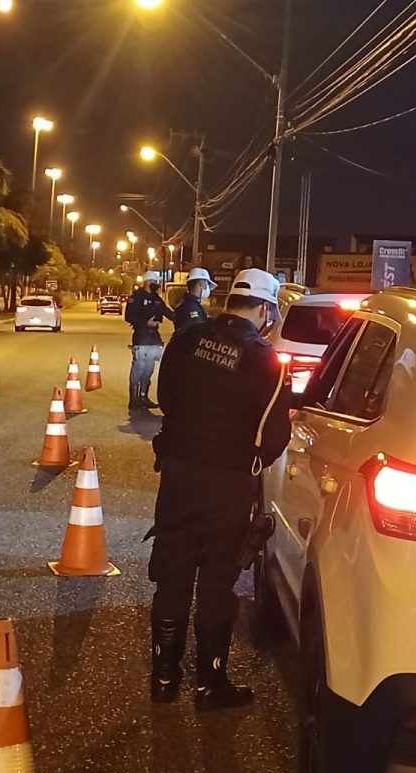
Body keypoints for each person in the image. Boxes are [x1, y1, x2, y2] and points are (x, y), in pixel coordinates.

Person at [147, 268, 292, 711]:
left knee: (172, 572)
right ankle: (211, 684)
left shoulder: (186, 339)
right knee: (217, 581)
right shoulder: (267, 360)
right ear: (266, 309)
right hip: (228, 484)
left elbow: (166, 398)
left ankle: (164, 678)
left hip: (178, 474)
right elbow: (274, 436)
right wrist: (246, 462)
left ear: (228, 300)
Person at [125, 270, 175, 410]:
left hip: (154, 338)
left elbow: (169, 313)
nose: (156, 285)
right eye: (154, 282)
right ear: (147, 282)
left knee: (149, 370)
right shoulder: (137, 297)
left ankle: (144, 397)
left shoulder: (157, 298)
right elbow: (129, 316)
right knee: (138, 369)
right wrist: (144, 323)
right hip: (141, 337)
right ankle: (134, 399)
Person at [172, 267, 215, 333]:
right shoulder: (191, 307)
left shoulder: (188, 303)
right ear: (201, 282)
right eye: (208, 284)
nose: (208, 288)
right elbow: (196, 331)